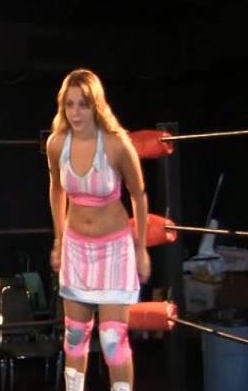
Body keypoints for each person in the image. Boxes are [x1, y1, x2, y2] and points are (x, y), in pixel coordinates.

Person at [47, 69, 150, 391]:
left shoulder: (116, 144)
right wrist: (58, 240)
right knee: (75, 335)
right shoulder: (57, 144)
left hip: (114, 249)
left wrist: (141, 249)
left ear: (96, 105)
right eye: (70, 104)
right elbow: (56, 189)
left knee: (112, 339)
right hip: (76, 248)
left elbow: (139, 194)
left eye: (83, 104)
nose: (76, 113)